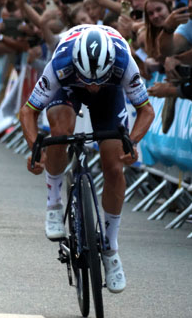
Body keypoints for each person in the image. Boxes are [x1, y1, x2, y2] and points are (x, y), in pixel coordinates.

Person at [18, 25, 155, 293]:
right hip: (68, 88)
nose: (92, 87)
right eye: (88, 80)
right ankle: (54, 203)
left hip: (111, 93)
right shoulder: (62, 61)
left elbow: (146, 111)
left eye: (97, 81)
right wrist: (35, 148)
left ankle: (111, 249)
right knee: (60, 132)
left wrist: (133, 142)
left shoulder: (123, 61)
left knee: (114, 166)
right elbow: (28, 111)